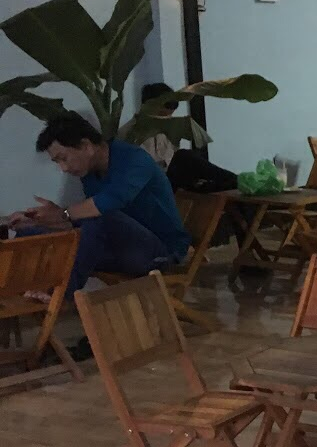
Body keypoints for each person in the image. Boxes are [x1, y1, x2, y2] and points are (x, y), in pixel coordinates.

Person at [9, 113, 191, 299]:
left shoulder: (135, 159)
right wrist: (40, 220)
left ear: (86, 146)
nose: (64, 168)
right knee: (30, 232)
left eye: (64, 158)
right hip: (118, 249)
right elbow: (87, 223)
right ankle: (14, 296)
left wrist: (62, 214)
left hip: (160, 252)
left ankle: (59, 295)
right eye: (58, 162)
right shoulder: (90, 173)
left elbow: (108, 204)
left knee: (102, 216)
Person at [124, 82, 238, 194]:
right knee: (184, 157)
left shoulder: (167, 130)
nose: (166, 120)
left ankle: (235, 182)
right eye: (162, 116)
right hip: (147, 185)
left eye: (169, 116)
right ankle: (236, 180)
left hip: (169, 181)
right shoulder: (128, 133)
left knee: (201, 181)